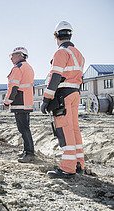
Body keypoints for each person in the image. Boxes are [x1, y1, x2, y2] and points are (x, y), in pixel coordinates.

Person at [41, 21, 85, 179]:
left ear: (56, 36)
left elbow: (56, 77)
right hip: (75, 93)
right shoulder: (78, 54)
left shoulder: (61, 52)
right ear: (70, 34)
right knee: (74, 129)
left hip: (63, 94)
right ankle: (79, 163)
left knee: (64, 130)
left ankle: (67, 168)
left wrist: (46, 99)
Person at [3, 47, 35, 163]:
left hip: (20, 102)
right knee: (25, 128)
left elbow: (13, 87)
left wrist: (7, 101)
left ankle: (29, 153)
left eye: (13, 55)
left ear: (21, 55)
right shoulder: (28, 67)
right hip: (26, 102)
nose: (11, 58)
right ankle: (28, 150)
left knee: (23, 128)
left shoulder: (18, 68)